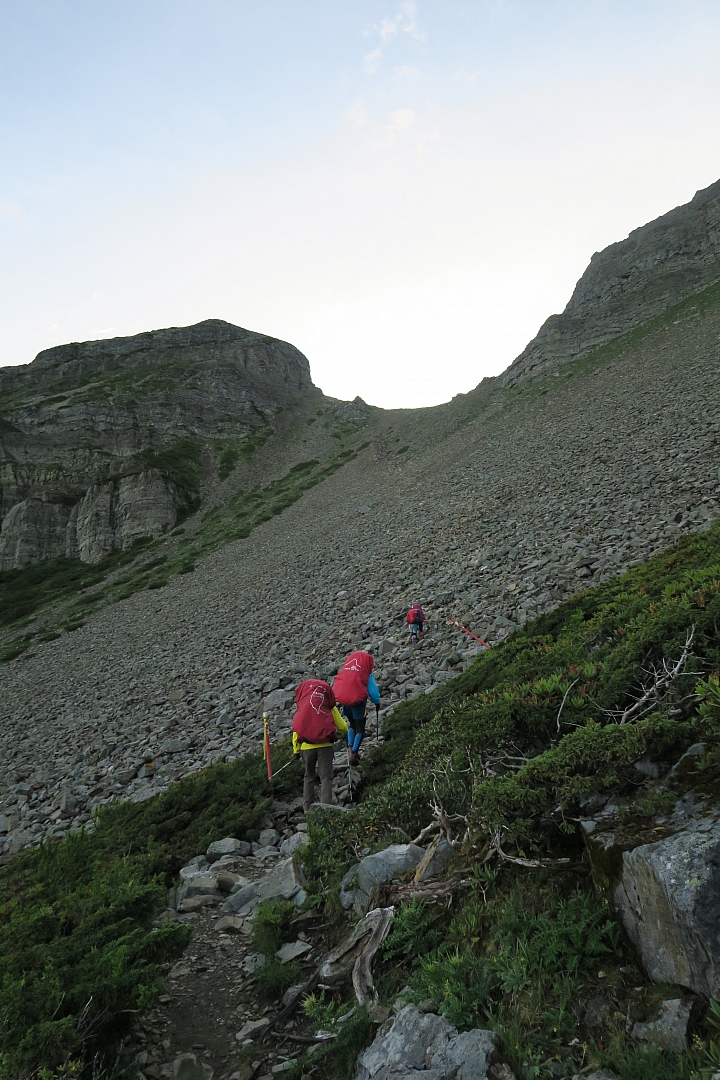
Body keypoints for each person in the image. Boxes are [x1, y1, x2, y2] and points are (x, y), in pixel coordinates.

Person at [291, 679, 348, 813]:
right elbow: (341, 725)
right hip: (325, 746)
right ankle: (325, 809)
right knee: (326, 777)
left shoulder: (303, 704)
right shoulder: (327, 703)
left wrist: (296, 750)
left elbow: (297, 729)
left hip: (306, 746)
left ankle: (307, 808)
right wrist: (346, 732)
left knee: (309, 776)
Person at [332, 650, 381, 765]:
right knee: (360, 729)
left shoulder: (346, 670)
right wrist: (377, 702)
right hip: (358, 701)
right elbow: (373, 691)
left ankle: (350, 746)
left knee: (352, 725)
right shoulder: (365, 673)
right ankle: (354, 754)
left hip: (345, 700)